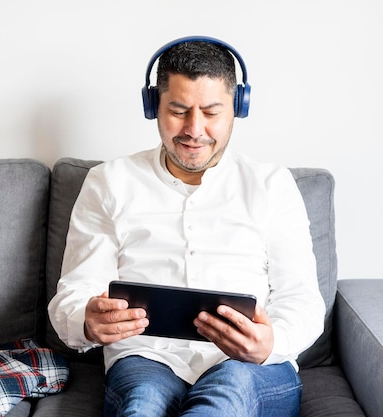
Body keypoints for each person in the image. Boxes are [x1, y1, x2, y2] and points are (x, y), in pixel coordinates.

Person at [48, 36, 325, 417]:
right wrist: (87, 321)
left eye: (212, 112)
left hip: (249, 367)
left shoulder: (272, 186)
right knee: (142, 404)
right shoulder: (108, 182)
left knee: (224, 399)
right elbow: (74, 295)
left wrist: (270, 342)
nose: (195, 130)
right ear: (153, 106)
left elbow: (304, 300)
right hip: (146, 358)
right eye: (178, 110)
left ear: (238, 108)